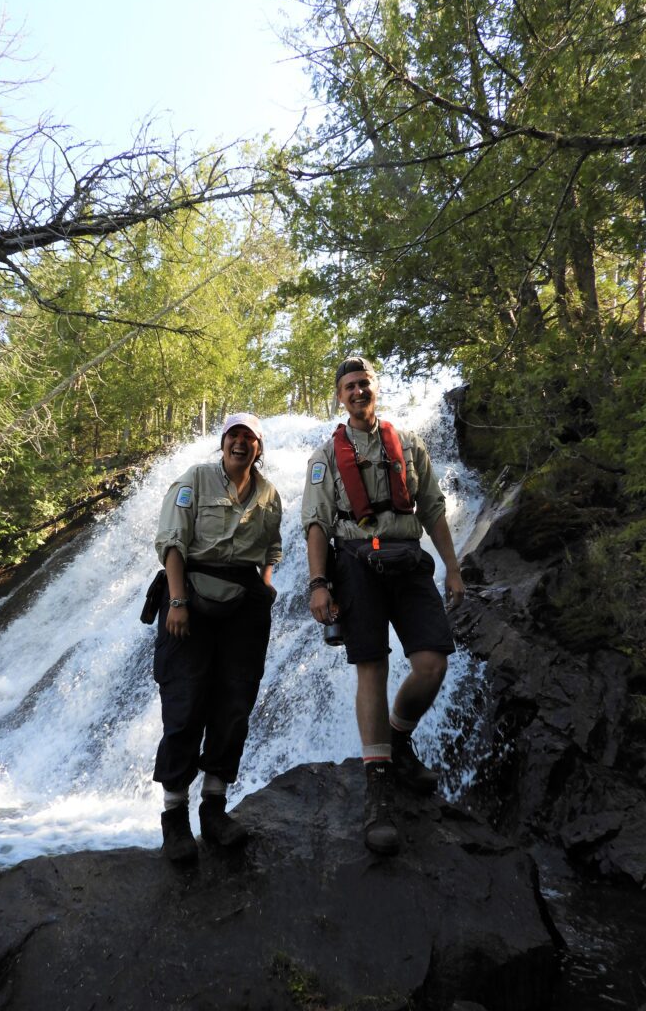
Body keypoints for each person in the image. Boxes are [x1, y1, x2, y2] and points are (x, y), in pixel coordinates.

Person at [302, 357, 465, 855]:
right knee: (370, 668)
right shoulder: (325, 454)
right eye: (349, 386)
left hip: (408, 558)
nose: (357, 392)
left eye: (364, 385)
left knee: (433, 662)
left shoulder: (410, 444)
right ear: (339, 396)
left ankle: (397, 737)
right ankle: (378, 787)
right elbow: (315, 522)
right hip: (354, 560)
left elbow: (433, 508)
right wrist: (317, 583)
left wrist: (453, 568)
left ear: (376, 391)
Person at [153, 412, 282, 861]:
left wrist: (264, 585)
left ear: (259, 447)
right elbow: (172, 542)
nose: (241, 444)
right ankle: (174, 820)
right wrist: (176, 602)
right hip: (190, 598)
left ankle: (214, 810)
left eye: (249, 438)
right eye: (234, 436)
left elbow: (272, 548)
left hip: (245, 607)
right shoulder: (195, 478)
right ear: (222, 442)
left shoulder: (268, 493)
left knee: (234, 707)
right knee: (185, 707)